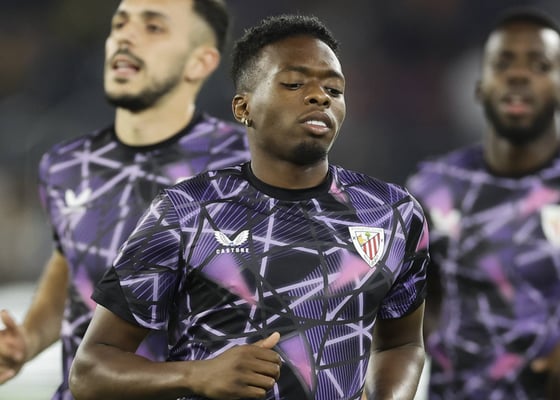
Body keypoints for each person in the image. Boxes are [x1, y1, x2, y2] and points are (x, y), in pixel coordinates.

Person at [69, 14, 429, 400]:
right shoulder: (186, 212)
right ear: (244, 108)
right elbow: (90, 371)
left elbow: (401, 344)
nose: (320, 96)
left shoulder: (393, 214)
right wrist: (195, 375)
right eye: (294, 83)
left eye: (334, 89)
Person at [0, 0, 250, 398]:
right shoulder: (68, 163)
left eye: (153, 27)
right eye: (120, 24)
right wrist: (28, 340)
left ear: (199, 62)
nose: (125, 37)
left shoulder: (246, 165)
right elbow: (74, 271)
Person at [406, 7, 560, 400]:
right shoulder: (434, 188)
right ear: (479, 87)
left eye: (540, 64)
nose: (518, 75)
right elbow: (405, 305)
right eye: (502, 63)